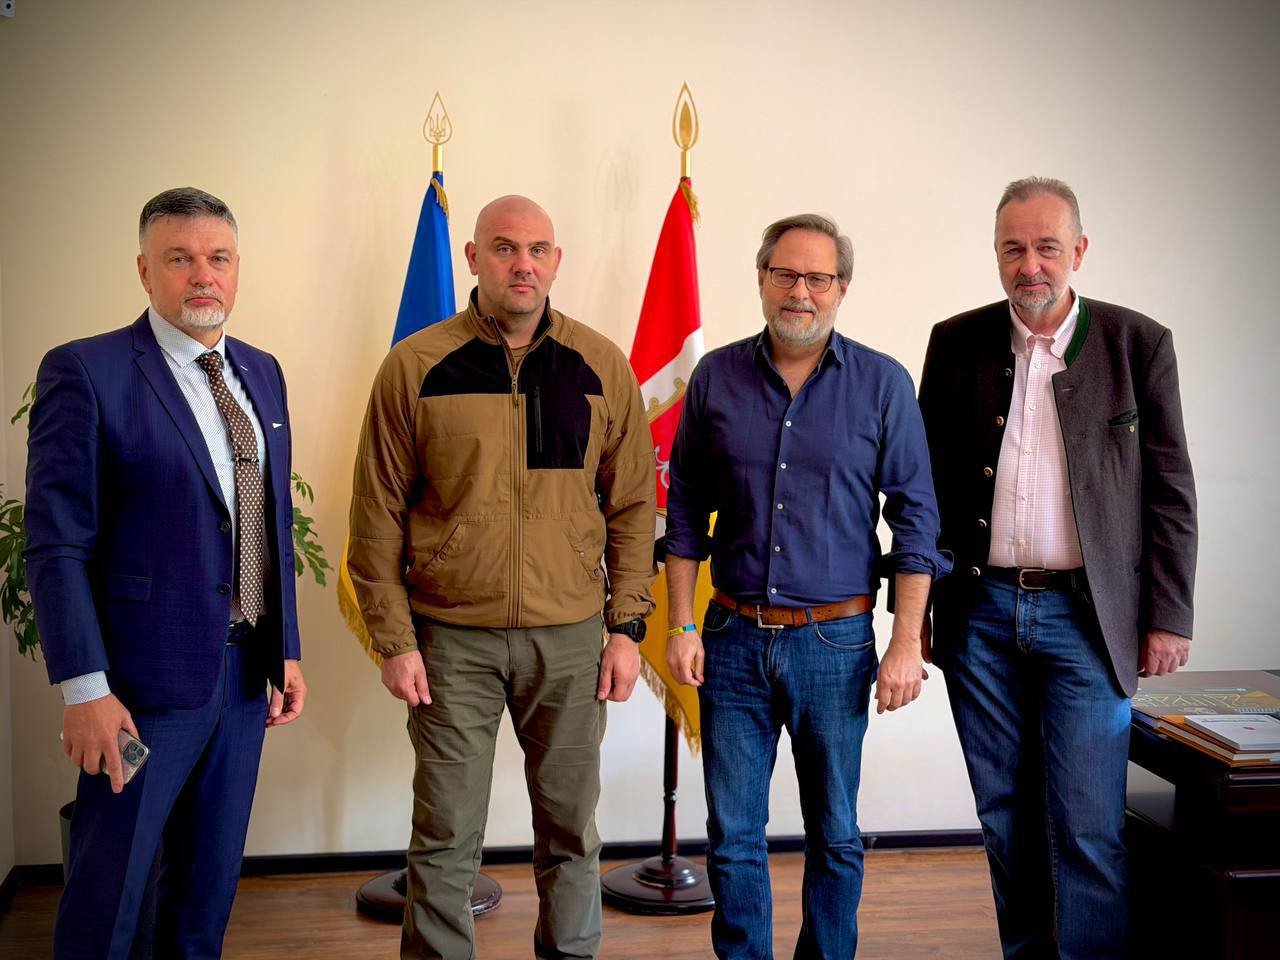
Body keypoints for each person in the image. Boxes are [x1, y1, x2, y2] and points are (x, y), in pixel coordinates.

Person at [347, 195, 656, 960]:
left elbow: (632, 508)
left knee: (571, 832)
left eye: (538, 250)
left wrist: (626, 629)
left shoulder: (600, 365)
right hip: (451, 643)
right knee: (445, 836)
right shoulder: (414, 366)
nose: (524, 265)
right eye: (506, 248)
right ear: (473, 257)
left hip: (572, 641)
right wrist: (395, 639)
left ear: (556, 261)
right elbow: (376, 517)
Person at [918, 176, 1197, 959]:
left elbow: (1171, 491)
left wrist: (1169, 616)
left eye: (1047, 246)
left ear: (1079, 249)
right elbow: (924, 487)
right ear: (996, 254)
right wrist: (920, 610)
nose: (1030, 265)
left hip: (1090, 619)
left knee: (1086, 826)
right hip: (980, 616)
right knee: (1005, 819)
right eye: (1013, 249)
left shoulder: (1137, 344)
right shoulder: (955, 342)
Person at [25, 186, 307, 959]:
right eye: (179, 259)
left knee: (205, 892)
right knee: (110, 897)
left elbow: (269, 520)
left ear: (238, 268)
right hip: (139, 690)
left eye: (218, 258)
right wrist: (84, 689)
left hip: (242, 683)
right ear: (145, 271)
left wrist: (283, 647)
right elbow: (56, 544)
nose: (202, 275)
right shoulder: (87, 371)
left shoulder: (262, 372)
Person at [663, 214, 949, 958]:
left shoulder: (882, 384)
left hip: (836, 643)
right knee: (733, 836)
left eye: (817, 278)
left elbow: (917, 521)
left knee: (834, 832)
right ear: (761, 279)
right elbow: (685, 508)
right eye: (785, 274)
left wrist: (904, 644)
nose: (800, 291)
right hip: (730, 641)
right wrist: (680, 624)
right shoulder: (715, 378)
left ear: (841, 289)